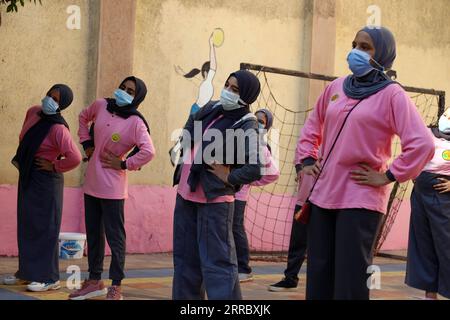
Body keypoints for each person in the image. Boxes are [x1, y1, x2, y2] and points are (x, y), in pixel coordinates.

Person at [297, 26, 435, 300]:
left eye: (365, 47)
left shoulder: (393, 94)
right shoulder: (336, 87)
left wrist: (388, 175)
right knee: (319, 275)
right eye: (354, 44)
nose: (355, 52)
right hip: (324, 194)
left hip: (361, 198)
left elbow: (423, 143)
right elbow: (312, 126)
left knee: (349, 280)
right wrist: (307, 159)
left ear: (382, 54)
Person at [172, 70, 262, 300]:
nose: (228, 92)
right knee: (185, 263)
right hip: (187, 194)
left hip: (214, 202)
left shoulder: (246, 123)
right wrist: (187, 142)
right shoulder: (212, 108)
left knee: (218, 266)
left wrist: (229, 177)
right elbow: (192, 120)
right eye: (227, 85)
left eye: (235, 89)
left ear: (247, 96)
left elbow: (254, 168)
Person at [69, 76, 156, 300]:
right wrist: (87, 143)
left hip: (113, 189)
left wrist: (125, 163)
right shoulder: (101, 105)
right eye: (123, 87)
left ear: (137, 98)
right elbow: (82, 117)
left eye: (130, 91)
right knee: (94, 235)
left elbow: (148, 150)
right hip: (92, 184)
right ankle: (95, 280)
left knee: (115, 238)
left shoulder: (136, 122)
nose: (124, 92)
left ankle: (116, 285)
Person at [3, 84, 82, 292]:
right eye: (49, 95)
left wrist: (54, 165)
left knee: (46, 228)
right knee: (27, 225)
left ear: (62, 105)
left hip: (47, 180)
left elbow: (74, 158)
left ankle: (49, 278)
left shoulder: (58, 129)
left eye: (56, 99)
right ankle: (26, 273)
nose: (50, 100)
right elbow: (25, 139)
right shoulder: (32, 112)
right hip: (29, 173)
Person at [405, 108, 450, 300]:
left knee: (446, 245)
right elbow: (412, 152)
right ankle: (429, 293)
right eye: (447, 114)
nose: (447, 117)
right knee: (423, 243)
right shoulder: (428, 133)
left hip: (443, 198)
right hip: (420, 195)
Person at [234, 109, 280, 282]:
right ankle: (233, 266)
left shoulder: (261, 146)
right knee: (228, 230)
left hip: (238, 196)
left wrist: (249, 181)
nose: (258, 124)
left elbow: (273, 173)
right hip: (227, 193)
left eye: (262, 122)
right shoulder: (243, 137)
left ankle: (244, 269)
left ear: (267, 127)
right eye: (256, 120)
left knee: (235, 229)